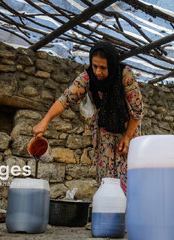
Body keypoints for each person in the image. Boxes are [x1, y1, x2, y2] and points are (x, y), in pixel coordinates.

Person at [33, 41, 143, 192]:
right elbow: (65, 99)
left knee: (129, 176)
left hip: (127, 129)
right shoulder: (87, 77)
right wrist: (44, 121)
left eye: (103, 67)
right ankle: (108, 210)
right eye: (95, 66)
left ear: (111, 64)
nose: (98, 71)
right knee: (106, 179)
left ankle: (129, 212)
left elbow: (137, 112)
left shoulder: (125, 75)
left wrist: (128, 137)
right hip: (105, 133)